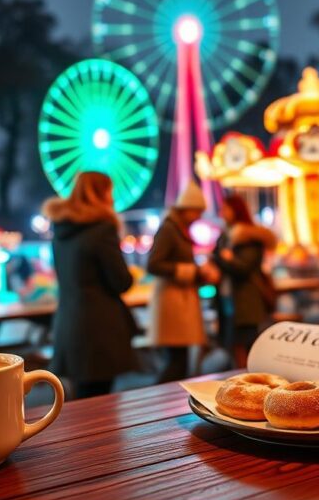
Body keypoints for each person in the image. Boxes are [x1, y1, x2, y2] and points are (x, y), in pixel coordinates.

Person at [43, 171, 139, 399]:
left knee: (82, 402)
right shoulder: (102, 230)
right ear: (99, 194)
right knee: (100, 402)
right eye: (109, 192)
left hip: (69, 323)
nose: (113, 199)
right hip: (98, 328)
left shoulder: (61, 230)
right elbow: (121, 281)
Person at [146, 181, 219, 383]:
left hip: (177, 301)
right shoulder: (170, 229)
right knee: (176, 362)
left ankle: (164, 403)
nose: (198, 217)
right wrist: (192, 270)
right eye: (196, 211)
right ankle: (157, 400)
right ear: (186, 209)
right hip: (172, 303)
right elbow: (153, 264)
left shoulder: (176, 228)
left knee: (179, 360)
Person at [212, 194, 277, 368]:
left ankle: (247, 380)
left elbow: (244, 269)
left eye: (226, 208)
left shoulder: (249, 237)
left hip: (246, 299)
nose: (222, 212)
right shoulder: (225, 235)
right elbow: (217, 257)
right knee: (233, 342)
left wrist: (227, 259)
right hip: (228, 297)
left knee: (244, 344)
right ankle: (240, 379)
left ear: (236, 210)